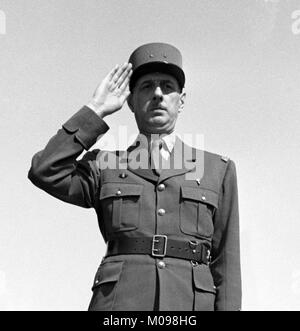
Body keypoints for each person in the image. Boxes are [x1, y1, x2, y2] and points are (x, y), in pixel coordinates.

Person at [28, 42, 241, 311]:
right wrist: (96, 109)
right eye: (146, 86)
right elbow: (44, 170)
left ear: (181, 100)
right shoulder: (105, 165)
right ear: (130, 101)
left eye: (167, 86)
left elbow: (226, 265)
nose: (158, 94)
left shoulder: (216, 169)